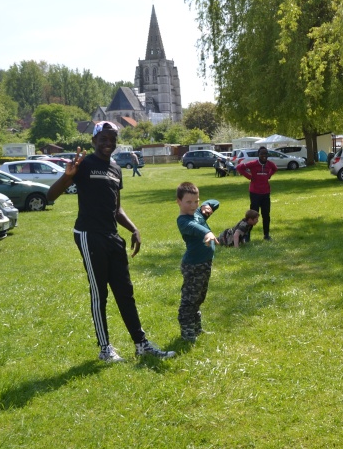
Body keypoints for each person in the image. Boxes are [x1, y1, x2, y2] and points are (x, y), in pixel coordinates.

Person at [47, 121, 175, 363]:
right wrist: (66, 178)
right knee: (100, 293)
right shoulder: (83, 165)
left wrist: (134, 228)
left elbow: (116, 208)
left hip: (112, 236)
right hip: (89, 234)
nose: (108, 143)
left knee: (125, 292)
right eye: (103, 139)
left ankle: (141, 344)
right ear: (94, 141)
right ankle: (105, 348)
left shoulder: (116, 168)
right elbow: (50, 196)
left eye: (112, 139)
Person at [176, 185, 219, 342]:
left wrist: (207, 204)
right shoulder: (183, 221)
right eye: (189, 202)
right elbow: (195, 228)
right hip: (193, 266)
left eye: (196, 201)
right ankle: (187, 331)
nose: (193, 205)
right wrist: (207, 232)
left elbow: (216, 202)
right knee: (189, 299)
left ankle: (196, 327)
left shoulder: (199, 213)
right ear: (179, 202)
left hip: (205, 263)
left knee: (200, 296)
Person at [236, 146, 277, 240]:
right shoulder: (253, 163)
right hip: (255, 193)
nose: (264, 156)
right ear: (258, 155)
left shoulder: (270, 164)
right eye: (262, 153)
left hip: (266, 193)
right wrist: (249, 177)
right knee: (252, 215)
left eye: (266, 154)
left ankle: (266, 235)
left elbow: (275, 169)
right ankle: (247, 235)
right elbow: (239, 167)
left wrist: (269, 175)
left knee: (266, 214)